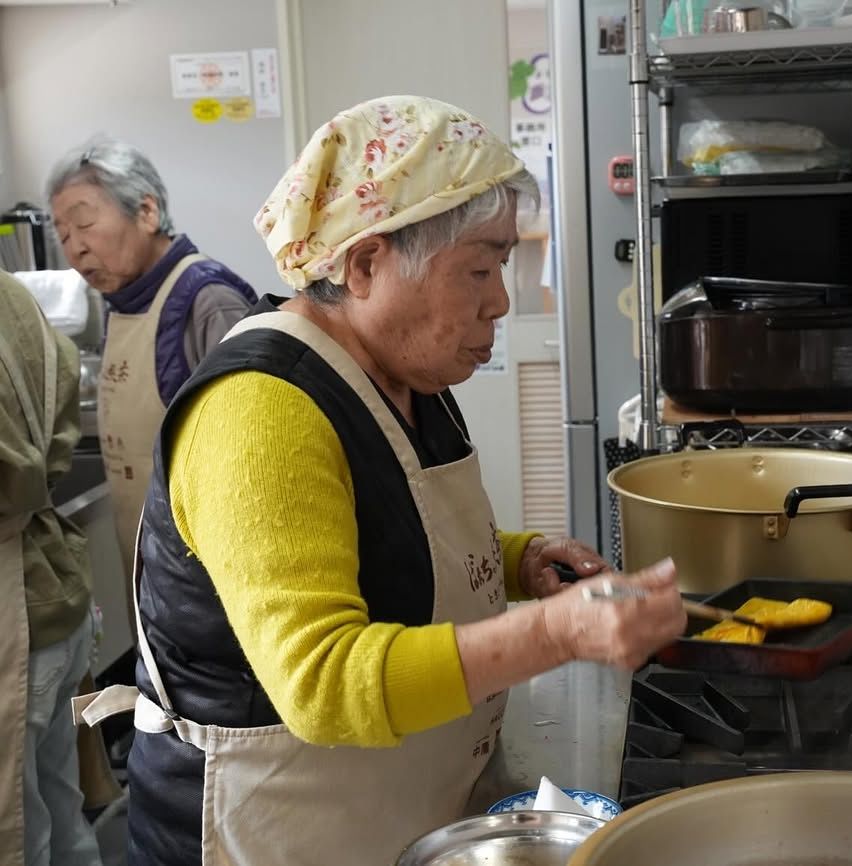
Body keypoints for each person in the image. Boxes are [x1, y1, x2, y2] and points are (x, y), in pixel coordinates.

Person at [73, 96, 687, 866]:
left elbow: (381, 536)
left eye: (501, 266)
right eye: (480, 268)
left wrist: (520, 560)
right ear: (365, 264)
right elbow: (321, 681)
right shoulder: (259, 409)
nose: (500, 299)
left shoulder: (404, 381)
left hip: (391, 819)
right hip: (268, 835)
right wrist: (558, 633)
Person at [46, 138, 259, 603]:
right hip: (151, 570)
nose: (75, 249)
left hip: (210, 581)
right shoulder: (120, 305)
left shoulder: (208, 302)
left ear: (146, 211)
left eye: (84, 223)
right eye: (62, 235)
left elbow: (253, 457)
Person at [0, 273, 103, 866]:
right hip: (51, 592)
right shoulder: (14, 297)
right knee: (61, 813)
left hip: (16, 617)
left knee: (20, 834)